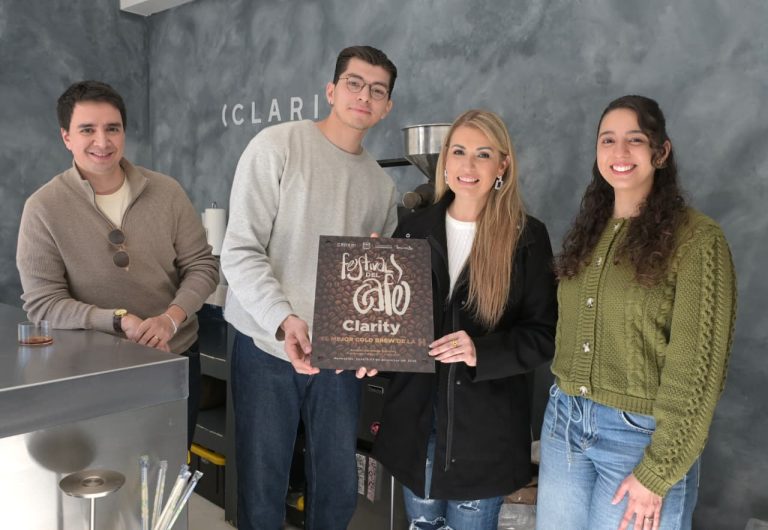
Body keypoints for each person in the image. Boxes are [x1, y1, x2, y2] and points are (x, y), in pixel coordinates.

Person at [535, 95, 737, 530]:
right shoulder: (590, 231)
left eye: (635, 139)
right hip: (565, 425)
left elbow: (697, 372)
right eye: (607, 140)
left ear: (660, 152)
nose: (620, 152)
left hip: (639, 437)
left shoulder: (698, 240)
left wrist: (658, 470)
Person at [220, 45, 398, 530]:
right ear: (332, 90)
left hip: (338, 362)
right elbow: (240, 250)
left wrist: (373, 341)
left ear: (386, 107)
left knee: (337, 490)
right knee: (262, 488)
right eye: (354, 83)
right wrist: (284, 319)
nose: (364, 96)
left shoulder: (382, 187)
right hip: (267, 346)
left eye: (377, 90)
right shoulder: (277, 146)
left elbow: (377, 285)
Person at [371, 109, 558, 530]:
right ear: (444, 161)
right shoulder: (412, 230)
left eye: (482, 154)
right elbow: (396, 328)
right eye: (458, 151)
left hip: (484, 438)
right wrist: (373, 353)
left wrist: (481, 352)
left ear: (502, 165)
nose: (467, 165)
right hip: (417, 429)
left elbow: (543, 335)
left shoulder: (527, 237)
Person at [16, 80, 219, 448]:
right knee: (101, 469)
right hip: (90, 367)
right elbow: (43, 303)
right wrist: (118, 320)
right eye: (87, 130)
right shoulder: (43, 208)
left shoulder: (167, 192)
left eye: (112, 128)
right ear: (66, 137)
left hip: (172, 357)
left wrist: (170, 319)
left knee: (171, 467)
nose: (103, 141)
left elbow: (202, 267)